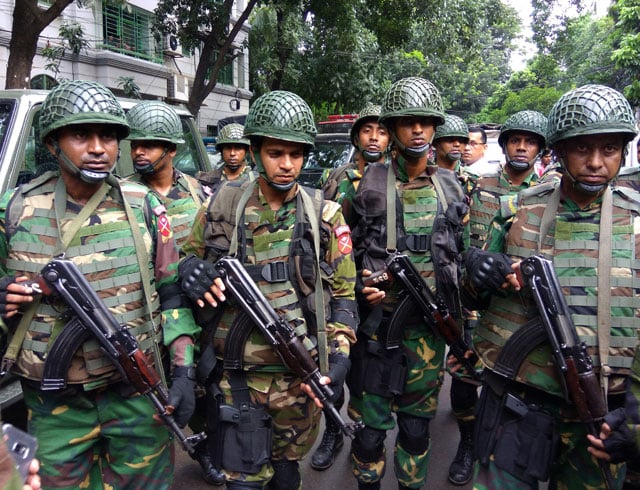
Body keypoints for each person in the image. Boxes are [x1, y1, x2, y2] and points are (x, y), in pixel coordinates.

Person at [0, 80, 200, 489]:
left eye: (107, 135)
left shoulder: (145, 206)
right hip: (53, 404)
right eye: (80, 135)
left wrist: (184, 373)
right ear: (53, 144)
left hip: (136, 397)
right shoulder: (14, 209)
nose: (98, 147)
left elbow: (172, 293)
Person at [179, 89, 358, 490]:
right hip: (234, 376)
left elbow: (344, 296)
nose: (287, 165)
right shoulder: (221, 207)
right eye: (276, 153)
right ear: (256, 151)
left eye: (296, 155)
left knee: (287, 474)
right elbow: (186, 265)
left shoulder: (324, 215)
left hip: (299, 376)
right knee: (242, 481)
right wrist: (189, 271)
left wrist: (340, 358)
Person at [465, 84, 639, 489]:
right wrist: (477, 269)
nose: (595, 162)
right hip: (520, 404)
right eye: (582, 149)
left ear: (623, 153)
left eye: (609, 149)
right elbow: (472, 294)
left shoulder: (635, 223)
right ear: (559, 152)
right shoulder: (517, 211)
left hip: (600, 417)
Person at [349, 76, 469, 490]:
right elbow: (339, 253)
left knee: (417, 431)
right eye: (407, 122)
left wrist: (463, 325)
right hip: (379, 329)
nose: (418, 130)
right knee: (369, 434)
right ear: (393, 128)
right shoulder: (365, 182)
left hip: (429, 332)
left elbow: (461, 257)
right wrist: (360, 284)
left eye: (425, 122)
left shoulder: (452, 185)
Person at [123, 100, 223, 484]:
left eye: (150, 144)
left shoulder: (199, 192)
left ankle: (207, 450)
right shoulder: (127, 196)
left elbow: (214, 244)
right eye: (136, 144)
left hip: (196, 310)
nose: (139, 152)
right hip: (152, 310)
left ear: (172, 150)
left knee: (206, 384)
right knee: (160, 393)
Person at [310, 102, 390, 472]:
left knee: (365, 366)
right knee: (332, 362)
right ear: (356, 136)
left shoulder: (394, 180)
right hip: (338, 286)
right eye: (367, 130)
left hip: (378, 289)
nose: (374, 137)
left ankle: (360, 429)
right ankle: (332, 430)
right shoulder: (337, 177)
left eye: (382, 130)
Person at [196, 123, 253, 197]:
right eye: (228, 148)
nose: (232, 153)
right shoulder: (206, 180)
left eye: (238, 148)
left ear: (246, 150)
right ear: (221, 150)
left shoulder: (255, 181)